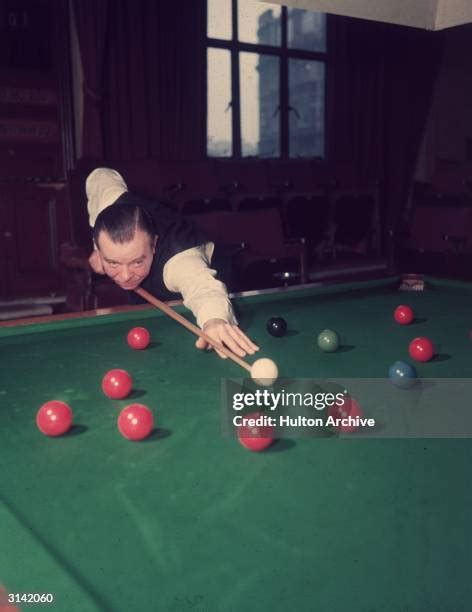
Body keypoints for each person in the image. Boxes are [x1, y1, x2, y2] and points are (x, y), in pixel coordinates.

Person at [86, 167, 258, 359]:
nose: (125, 276)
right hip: (149, 276)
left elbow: (204, 288)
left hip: (214, 266)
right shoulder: (108, 200)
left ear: (154, 245)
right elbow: (100, 175)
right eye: (114, 262)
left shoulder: (180, 261)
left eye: (136, 262)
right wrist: (97, 248)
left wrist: (214, 320)